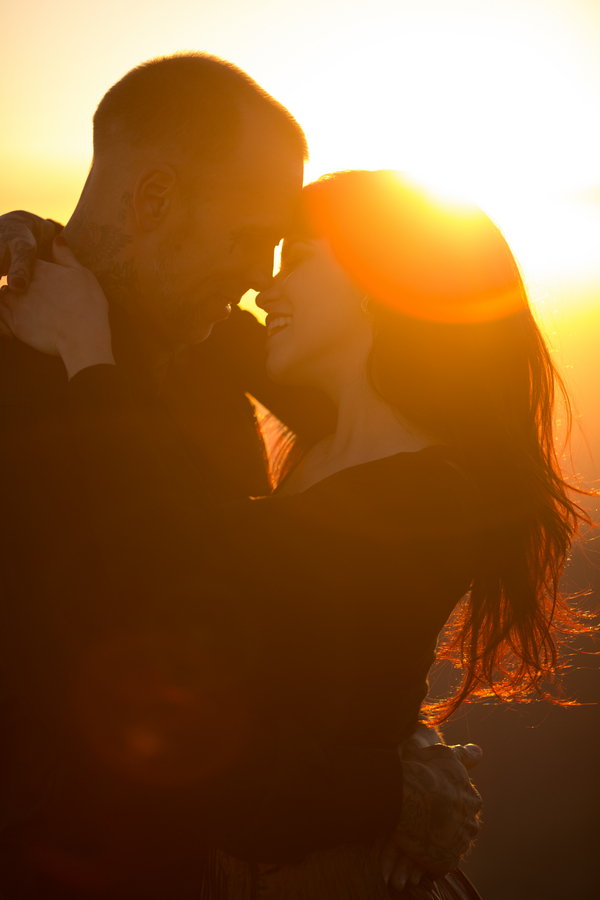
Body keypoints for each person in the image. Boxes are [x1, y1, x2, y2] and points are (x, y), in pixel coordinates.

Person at [1, 169, 589, 899]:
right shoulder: (344, 429)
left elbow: (173, 552)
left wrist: (88, 354)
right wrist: (50, 245)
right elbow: (183, 298)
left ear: (383, 283)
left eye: (296, 261)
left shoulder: (424, 494)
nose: (261, 289)